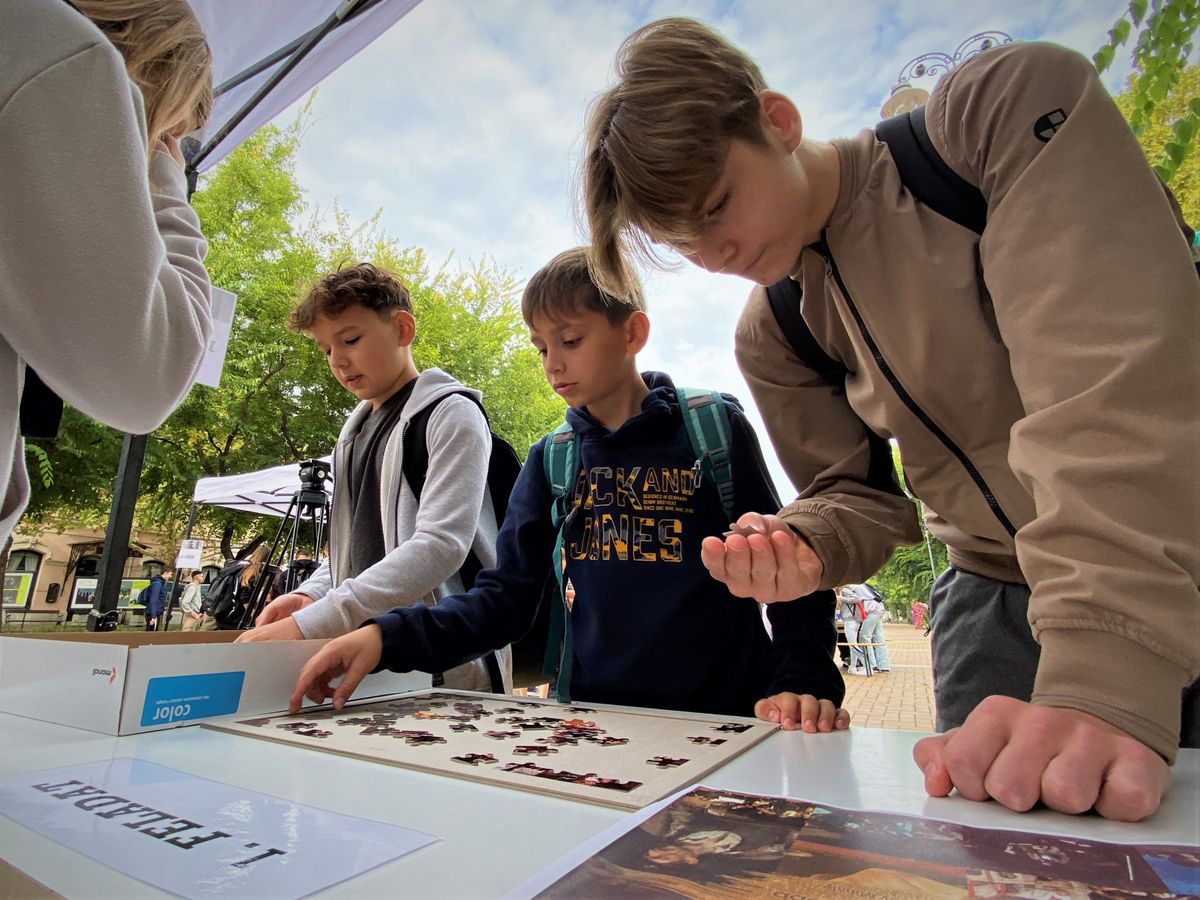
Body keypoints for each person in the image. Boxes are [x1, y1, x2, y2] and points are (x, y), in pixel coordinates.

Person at [579, 19, 1198, 820]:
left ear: (777, 119)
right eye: (680, 239)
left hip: (1160, 557)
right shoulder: (772, 332)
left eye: (717, 205)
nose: (711, 251)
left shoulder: (994, 118)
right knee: (990, 856)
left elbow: (1114, 384)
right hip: (988, 606)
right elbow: (861, 496)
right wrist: (807, 544)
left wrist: (1105, 670)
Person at [289, 247, 847, 731]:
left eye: (571, 340)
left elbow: (792, 566)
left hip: (727, 721)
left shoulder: (712, 431)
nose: (553, 364)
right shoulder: (552, 460)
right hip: (598, 725)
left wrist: (805, 677)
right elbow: (503, 602)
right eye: (540, 347)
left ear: (633, 332)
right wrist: (385, 637)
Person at [0, 0, 214, 550]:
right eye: (172, 131)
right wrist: (168, 186)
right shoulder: (66, 57)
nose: (161, 145)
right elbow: (149, 375)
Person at [237, 262, 510, 693]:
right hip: (358, 661)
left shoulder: (451, 414)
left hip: (441, 664)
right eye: (325, 349)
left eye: (350, 339)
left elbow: (441, 545)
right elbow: (361, 548)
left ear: (403, 329)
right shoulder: (354, 432)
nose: (338, 360)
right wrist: (312, 594)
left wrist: (316, 621)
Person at [836, 585, 867, 675]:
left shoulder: (845, 590)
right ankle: (852, 667)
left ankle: (866, 665)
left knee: (853, 645)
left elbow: (856, 599)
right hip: (852, 620)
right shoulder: (846, 591)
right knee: (852, 645)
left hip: (850, 621)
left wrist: (841, 598)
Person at [141, 568, 170, 632]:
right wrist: (153, 616)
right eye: (170, 574)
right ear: (165, 573)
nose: (170, 576)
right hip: (153, 612)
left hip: (154, 611)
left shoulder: (158, 583)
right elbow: (153, 600)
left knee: (151, 633)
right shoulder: (157, 584)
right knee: (151, 634)